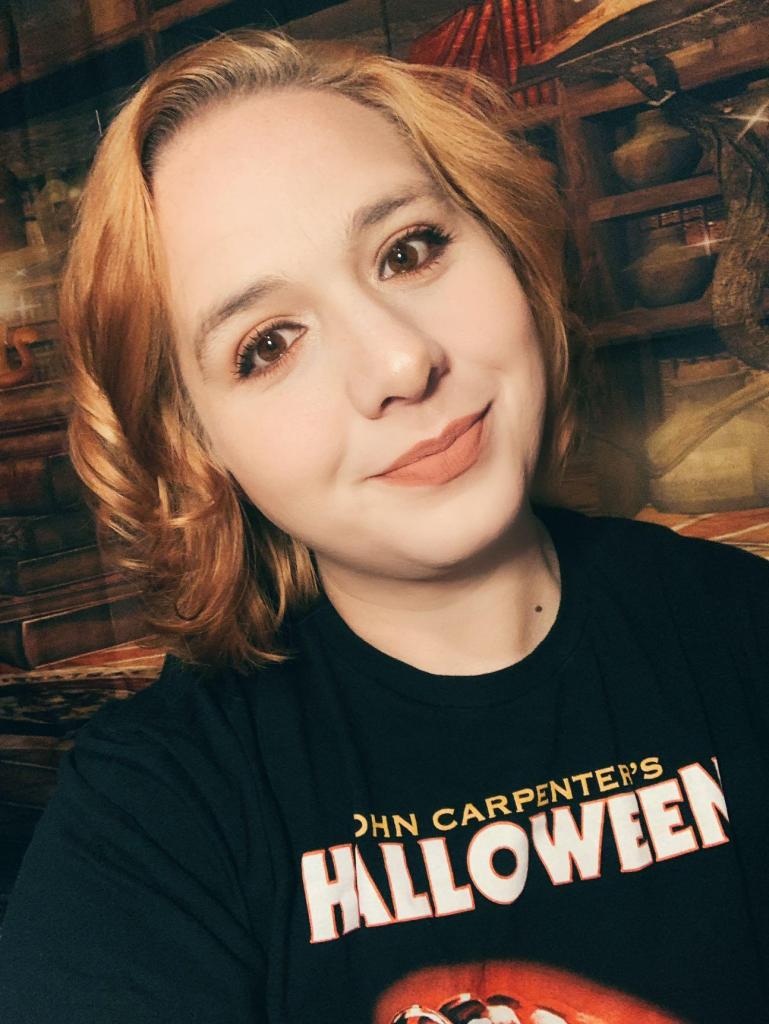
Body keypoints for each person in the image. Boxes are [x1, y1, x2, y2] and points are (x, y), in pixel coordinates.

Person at [1, 27, 768, 1024]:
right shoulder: (157, 814)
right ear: (197, 443)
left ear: (504, 243)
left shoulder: (744, 635)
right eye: (268, 344)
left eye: (409, 251)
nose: (400, 364)